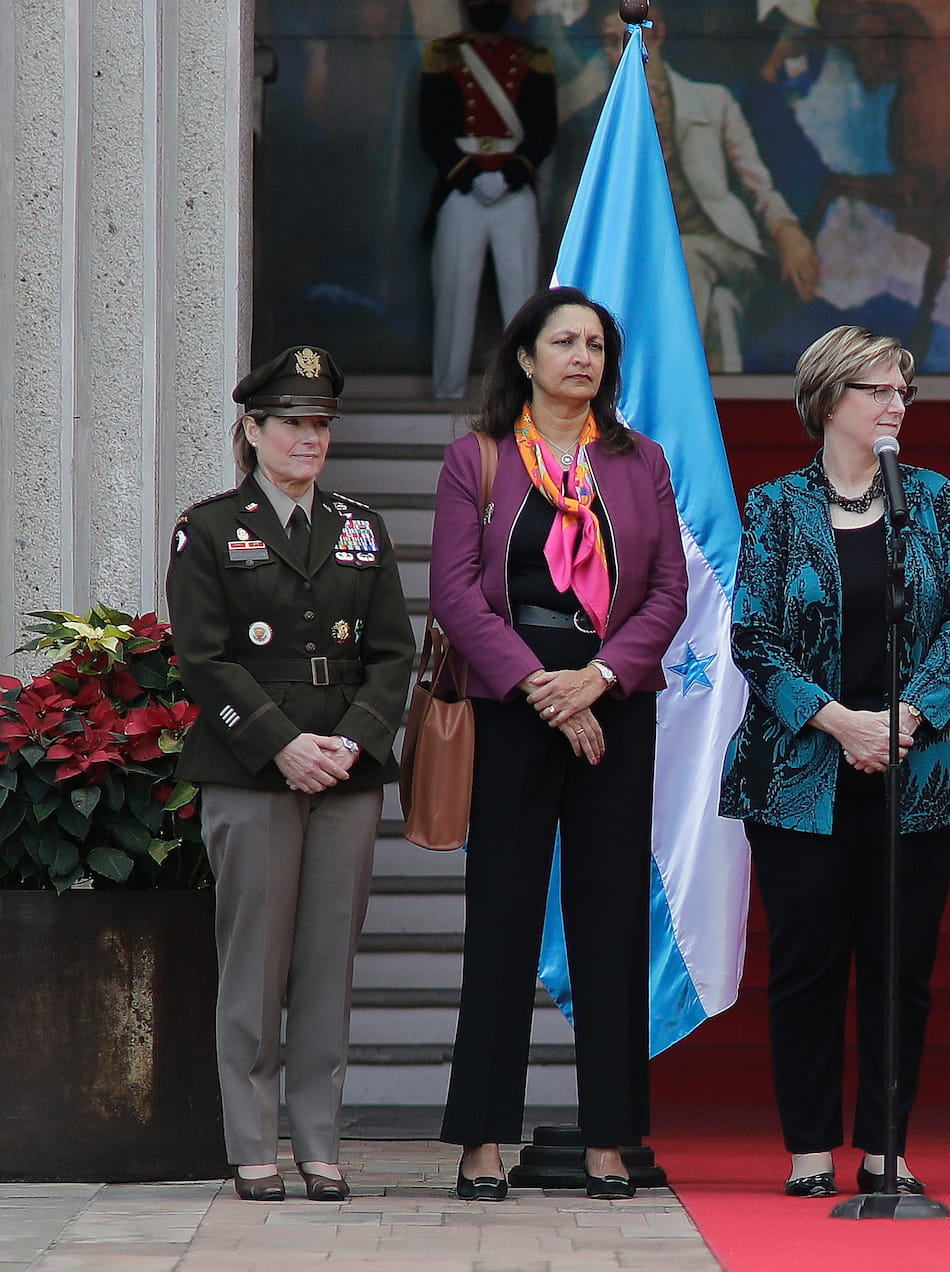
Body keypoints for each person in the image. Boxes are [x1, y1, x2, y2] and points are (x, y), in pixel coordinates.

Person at [430, 287, 689, 1201]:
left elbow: (665, 592)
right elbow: (456, 592)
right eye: (563, 342)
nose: (581, 356)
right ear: (527, 360)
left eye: (595, 345)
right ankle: (481, 1139)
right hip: (510, 706)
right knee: (499, 916)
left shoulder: (640, 461)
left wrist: (601, 679)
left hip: (614, 706)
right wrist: (541, 685)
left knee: (611, 920)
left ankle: (610, 1138)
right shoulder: (479, 458)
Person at [720, 325, 950, 1198]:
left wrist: (906, 716)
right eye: (880, 390)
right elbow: (752, 638)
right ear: (832, 398)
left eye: (904, 391)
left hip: (921, 768)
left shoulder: (931, 497)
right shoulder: (774, 506)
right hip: (801, 771)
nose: (898, 404)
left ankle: (886, 1144)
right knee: (807, 961)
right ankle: (807, 1147)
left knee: (900, 963)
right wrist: (840, 723)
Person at [166, 346, 415, 1203]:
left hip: (343, 772)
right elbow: (204, 659)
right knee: (254, 962)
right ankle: (251, 1142)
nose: (310, 439)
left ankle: (319, 1142)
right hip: (253, 771)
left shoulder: (360, 525)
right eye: (293, 424)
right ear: (253, 429)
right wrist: (280, 743)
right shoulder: (208, 528)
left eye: (321, 425)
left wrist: (354, 740)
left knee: (326, 963)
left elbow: (393, 654)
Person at [601, 12, 819, 372]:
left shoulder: (712, 101)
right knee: (709, 303)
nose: (618, 53)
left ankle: (675, 379)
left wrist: (786, 229)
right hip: (643, 260)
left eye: (626, 40)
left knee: (685, 257)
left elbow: (757, 182)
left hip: (722, 249)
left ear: (658, 35)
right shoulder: (606, 115)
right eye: (610, 43)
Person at [419, 0, 557, 400]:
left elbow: (543, 129)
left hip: (513, 189)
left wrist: (513, 173)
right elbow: (431, 128)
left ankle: (526, 396)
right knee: (454, 292)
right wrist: (469, 175)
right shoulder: (443, 56)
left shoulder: (533, 58)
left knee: (521, 296)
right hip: (462, 188)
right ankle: (447, 392)